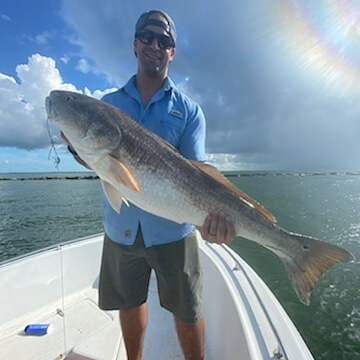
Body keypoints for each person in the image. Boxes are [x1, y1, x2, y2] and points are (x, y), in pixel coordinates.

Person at [65, 9, 235, 360]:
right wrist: (77, 147)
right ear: (135, 43)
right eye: (147, 36)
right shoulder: (108, 105)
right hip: (121, 229)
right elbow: (97, 158)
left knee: (187, 313)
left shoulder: (188, 111)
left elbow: (199, 176)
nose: (155, 44)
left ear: (172, 51)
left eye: (165, 40)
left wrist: (214, 220)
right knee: (129, 304)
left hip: (174, 232)